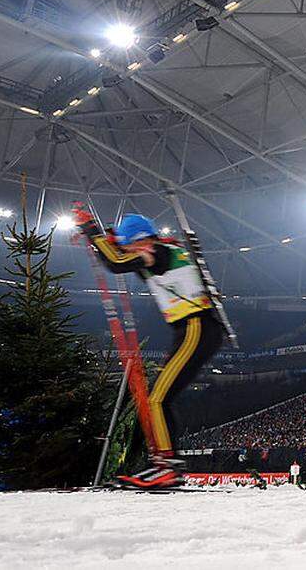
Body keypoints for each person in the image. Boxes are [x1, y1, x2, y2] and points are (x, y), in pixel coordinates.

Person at [74, 208, 226, 489]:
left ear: (141, 241)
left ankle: (166, 467)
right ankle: (164, 464)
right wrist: (105, 238)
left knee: (156, 398)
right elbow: (119, 255)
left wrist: (91, 231)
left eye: (130, 244)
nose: (129, 250)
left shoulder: (156, 252)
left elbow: (117, 263)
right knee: (160, 397)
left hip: (196, 327)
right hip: (192, 329)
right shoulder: (160, 251)